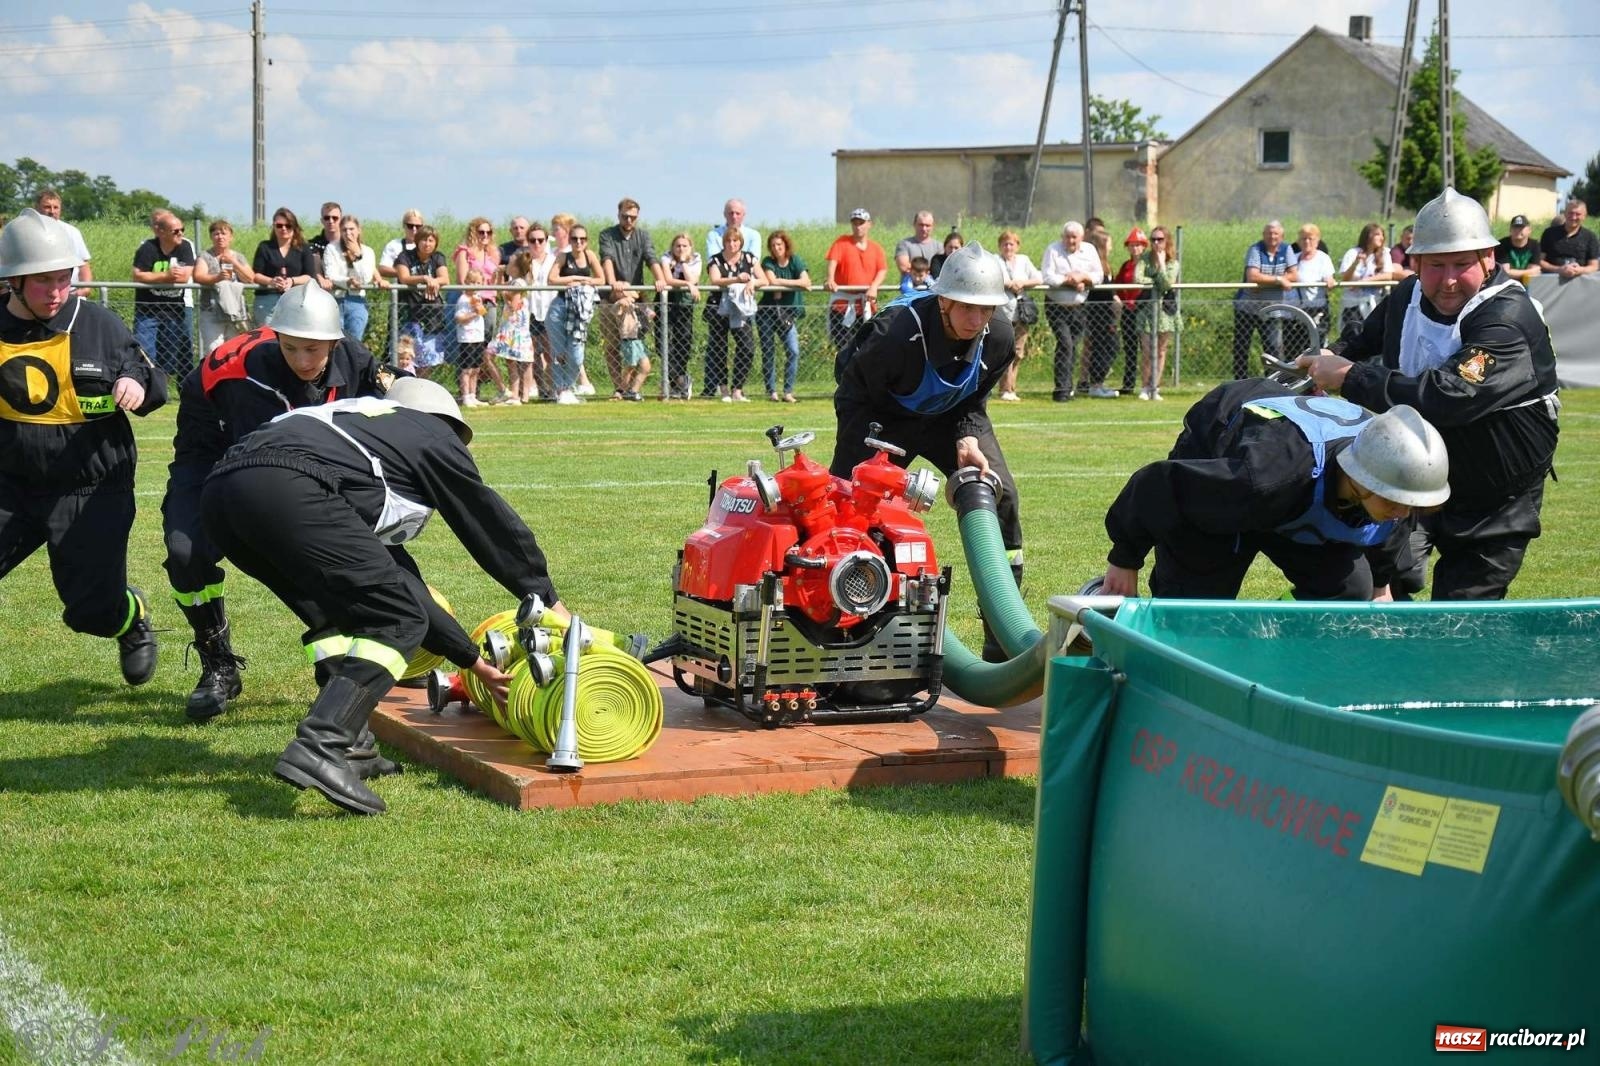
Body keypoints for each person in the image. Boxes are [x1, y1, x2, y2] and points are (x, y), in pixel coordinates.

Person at [200, 376, 565, 815]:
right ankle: (321, 745)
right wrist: (543, 594)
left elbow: (401, 578)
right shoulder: (427, 431)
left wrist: (472, 661)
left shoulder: (348, 435)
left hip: (223, 492)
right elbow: (487, 521)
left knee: (336, 611)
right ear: (441, 421)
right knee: (397, 621)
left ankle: (353, 746)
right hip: (287, 486)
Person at [1299, 186, 1560, 600]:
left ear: (1488, 257)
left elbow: (1449, 396)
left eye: (1462, 264)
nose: (1449, 280)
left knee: (1458, 617)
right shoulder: (1408, 295)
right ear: (1415, 262)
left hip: (1495, 499)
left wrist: (1348, 376)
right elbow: (1365, 335)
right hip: (1412, 476)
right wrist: (1326, 356)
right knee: (1371, 585)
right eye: (1436, 265)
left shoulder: (1508, 319)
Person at [162, 282, 385, 728]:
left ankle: (338, 662)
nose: (303, 361)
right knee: (187, 552)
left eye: (314, 350)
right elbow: (252, 478)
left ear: (335, 342)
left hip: (296, 461)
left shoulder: (357, 360)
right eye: (291, 348)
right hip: (216, 453)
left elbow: (385, 414)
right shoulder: (239, 374)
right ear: (273, 336)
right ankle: (218, 663)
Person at [0, 209, 167, 685]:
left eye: (64, 279)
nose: (57, 291)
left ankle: (130, 617)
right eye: (43, 281)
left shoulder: (98, 324)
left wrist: (135, 384)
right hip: (11, 484)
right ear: (13, 280)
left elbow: (149, 374)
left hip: (91, 489)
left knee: (90, 612)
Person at [831, 242, 1021, 658]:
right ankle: (847, 629)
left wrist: (967, 435)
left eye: (986, 308)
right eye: (967, 307)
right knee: (848, 510)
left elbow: (975, 398)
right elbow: (850, 387)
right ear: (944, 302)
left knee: (1001, 494)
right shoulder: (895, 334)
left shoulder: (1000, 337)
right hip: (881, 415)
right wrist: (870, 459)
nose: (977, 318)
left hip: (951, 417)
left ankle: (1001, 633)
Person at [1099, 380, 1449, 601]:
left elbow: (1391, 531)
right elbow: (1159, 484)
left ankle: (1284, 652)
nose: (1402, 513)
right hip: (1231, 457)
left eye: (1410, 505)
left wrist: (1380, 586)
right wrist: (1125, 559)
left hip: (1294, 497)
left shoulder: (1395, 486)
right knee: (1195, 609)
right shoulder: (1260, 480)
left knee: (1350, 595)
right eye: (1395, 503)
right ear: (1359, 479)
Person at [598, 197, 667, 400]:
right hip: (611, 299)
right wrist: (614, 284)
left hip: (636, 300)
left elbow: (651, 259)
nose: (629, 221)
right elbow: (607, 259)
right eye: (625, 217)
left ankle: (629, 388)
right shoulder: (607, 235)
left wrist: (660, 280)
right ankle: (619, 388)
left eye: (633, 218)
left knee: (636, 345)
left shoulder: (643, 236)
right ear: (618, 215)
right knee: (612, 345)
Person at [1040, 221, 1103, 402]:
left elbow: (1098, 276)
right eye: (1067, 237)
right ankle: (1061, 389)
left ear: (1081, 238)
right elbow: (1047, 276)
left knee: (1072, 347)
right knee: (1065, 343)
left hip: (1080, 307)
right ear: (1063, 237)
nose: (1071, 240)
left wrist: (1083, 277)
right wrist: (1070, 280)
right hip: (1056, 306)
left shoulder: (1089, 250)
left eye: (1074, 237)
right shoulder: (1053, 250)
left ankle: (1068, 388)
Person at [131, 210, 198, 374]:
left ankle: (161, 390)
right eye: (176, 231)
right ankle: (145, 389)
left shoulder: (185, 247)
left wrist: (153, 277)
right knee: (144, 353)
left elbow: (184, 277)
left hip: (174, 311)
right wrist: (166, 276)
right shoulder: (147, 248)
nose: (180, 233)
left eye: (182, 229)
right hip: (148, 311)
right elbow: (137, 275)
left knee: (170, 360)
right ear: (161, 232)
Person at [1230, 220, 1297, 379]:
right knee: (1241, 346)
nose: (1272, 237)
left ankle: (1272, 382)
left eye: (1275, 233)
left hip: (1272, 310)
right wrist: (1279, 280)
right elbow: (1252, 276)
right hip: (1247, 307)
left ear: (1281, 236)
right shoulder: (1255, 249)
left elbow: (1294, 275)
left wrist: (1264, 280)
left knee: (1273, 348)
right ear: (1263, 235)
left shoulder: (1287, 249)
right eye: (1269, 233)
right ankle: (1240, 381)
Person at [705, 227, 764, 402]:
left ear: (741, 242)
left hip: (741, 310)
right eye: (729, 241)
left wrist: (753, 282)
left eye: (735, 241)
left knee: (747, 347)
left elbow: (764, 279)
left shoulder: (749, 258)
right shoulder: (715, 260)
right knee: (719, 348)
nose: (732, 244)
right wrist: (737, 279)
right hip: (718, 308)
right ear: (723, 242)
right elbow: (715, 280)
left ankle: (737, 388)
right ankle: (723, 388)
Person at [547, 222, 603, 404]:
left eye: (582, 239)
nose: (578, 242)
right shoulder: (564, 257)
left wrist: (584, 280)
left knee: (576, 352)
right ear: (570, 240)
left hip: (580, 311)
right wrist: (573, 279)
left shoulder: (590, 255)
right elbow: (552, 279)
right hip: (560, 307)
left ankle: (568, 385)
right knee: (559, 352)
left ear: (586, 241)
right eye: (575, 239)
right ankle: (561, 389)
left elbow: (601, 279)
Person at [824, 208, 888, 356]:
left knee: (868, 345)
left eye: (861, 223)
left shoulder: (876, 248)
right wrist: (830, 279)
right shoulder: (841, 243)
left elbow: (882, 270)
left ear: (869, 224)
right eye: (855, 223)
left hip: (865, 304)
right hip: (842, 304)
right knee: (844, 346)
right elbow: (833, 262)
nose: (858, 226)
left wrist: (874, 287)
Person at [393, 225, 450, 383]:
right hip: (411, 313)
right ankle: (407, 385)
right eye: (424, 239)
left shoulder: (438, 257)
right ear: (418, 241)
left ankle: (422, 387)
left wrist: (434, 281)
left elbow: (445, 278)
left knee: (427, 359)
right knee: (408, 356)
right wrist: (424, 278)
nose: (427, 243)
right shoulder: (405, 256)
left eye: (431, 240)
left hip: (433, 315)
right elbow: (404, 277)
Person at [758, 230, 809, 404]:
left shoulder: (795, 260)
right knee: (768, 351)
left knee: (793, 350)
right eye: (773, 245)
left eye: (779, 244)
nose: (776, 248)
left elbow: (806, 281)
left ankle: (788, 391)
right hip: (767, 312)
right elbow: (771, 280)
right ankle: (771, 390)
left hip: (787, 314)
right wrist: (795, 284)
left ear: (785, 245)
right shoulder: (768, 262)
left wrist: (784, 283)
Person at [192, 219, 256, 354]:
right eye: (216, 234)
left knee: (234, 351)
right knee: (213, 350)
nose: (220, 237)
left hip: (236, 314)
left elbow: (250, 278)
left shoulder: (238, 257)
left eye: (223, 233)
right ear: (211, 237)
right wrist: (217, 278)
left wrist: (233, 262)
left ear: (231, 237)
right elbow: (198, 276)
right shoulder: (205, 256)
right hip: (211, 311)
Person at [321, 214, 386, 344]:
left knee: (354, 343)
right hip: (335, 299)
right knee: (334, 342)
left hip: (357, 301)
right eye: (344, 229)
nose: (348, 233)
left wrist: (357, 256)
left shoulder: (367, 252)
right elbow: (330, 274)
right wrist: (348, 281)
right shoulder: (331, 248)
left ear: (358, 230)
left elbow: (366, 277)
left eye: (351, 229)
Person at [1134, 226, 1181, 401]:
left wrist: (1161, 266)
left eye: (1159, 239)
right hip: (1146, 311)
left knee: (1160, 350)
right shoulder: (1144, 259)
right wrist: (1155, 281)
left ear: (1166, 241)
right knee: (1147, 350)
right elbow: (1137, 278)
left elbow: (1168, 284)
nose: (1155, 243)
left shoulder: (1172, 263)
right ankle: (1145, 386)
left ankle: (1155, 386)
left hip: (1165, 312)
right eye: (1153, 239)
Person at [251, 207, 320, 326]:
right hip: (267, 299)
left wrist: (292, 281)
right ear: (274, 226)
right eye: (279, 225)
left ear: (294, 227)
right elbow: (256, 275)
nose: (283, 229)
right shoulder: (265, 247)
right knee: (268, 338)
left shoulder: (303, 248)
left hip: (295, 299)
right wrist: (271, 281)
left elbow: (309, 276)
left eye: (288, 225)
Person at [658, 232, 702, 402]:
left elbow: (694, 278)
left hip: (684, 306)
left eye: (684, 245)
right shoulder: (666, 258)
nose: (681, 248)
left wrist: (683, 263)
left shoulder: (696, 259)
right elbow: (668, 279)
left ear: (690, 247)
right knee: (662, 344)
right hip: (666, 304)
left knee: (683, 343)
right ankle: (681, 381)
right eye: (678, 245)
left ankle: (678, 385)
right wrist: (687, 284)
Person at [491, 252, 536, 404]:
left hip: (516, 327)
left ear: (516, 267)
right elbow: (498, 291)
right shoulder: (512, 282)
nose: (506, 265)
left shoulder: (519, 284)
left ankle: (522, 395)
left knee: (522, 361)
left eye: (509, 263)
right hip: (511, 325)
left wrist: (504, 293)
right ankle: (516, 394)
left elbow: (514, 305)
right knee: (512, 361)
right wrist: (499, 276)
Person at [1337, 223, 1397, 337]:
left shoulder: (1384, 254)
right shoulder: (1353, 253)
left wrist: (1364, 281)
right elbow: (1345, 278)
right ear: (1368, 236)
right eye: (1378, 234)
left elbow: (1388, 275)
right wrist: (1356, 262)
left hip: (1374, 303)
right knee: (1352, 336)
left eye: (1382, 235)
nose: (1382, 238)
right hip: (1352, 305)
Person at [33, 188, 93, 296]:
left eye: (56, 207)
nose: (52, 211)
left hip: (71, 294)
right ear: (36, 208)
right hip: (38, 295)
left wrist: (85, 289)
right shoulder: (27, 231)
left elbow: (83, 264)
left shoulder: (72, 232)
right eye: (47, 207)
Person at [1081, 229, 1119, 399]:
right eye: (1109, 243)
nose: (1111, 246)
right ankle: (1095, 384)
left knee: (1109, 347)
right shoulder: (1096, 268)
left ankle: (1099, 383)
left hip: (1107, 313)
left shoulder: (1106, 265)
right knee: (1103, 348)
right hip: (1099, 313)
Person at [1111, 228, 1148, 395]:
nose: (1134, 248)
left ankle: (1148, 385)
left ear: (1143, 247)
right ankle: (1129, 383)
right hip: (1128, 310)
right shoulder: (1126, 266)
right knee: (1130, 349)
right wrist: (1119, 299)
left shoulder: (1147, 265)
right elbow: (1118, 285)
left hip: (1143, 311)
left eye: (1138, 245)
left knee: (1146, 349)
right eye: (1131, 245)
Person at [1290, 222, 1336, 353]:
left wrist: (1329, 280)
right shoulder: (1294, 259)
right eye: (1303, 238)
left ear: (1317, 241)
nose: (1307, 242)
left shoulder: (1323, 258)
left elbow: (1329, 278)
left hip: (1317, 310)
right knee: (1295, 350)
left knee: (1317, 348)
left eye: (1310, 238)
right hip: (1297, 311)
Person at [453, 270, 494, 407]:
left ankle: (473, 395)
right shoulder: (463, 299)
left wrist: (480, 309)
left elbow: (482, 313)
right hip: (467, 337)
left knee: (476, 368)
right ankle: (465, 395)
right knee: (467, 369)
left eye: (478, 282)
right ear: (466, 282)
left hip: (478, 336)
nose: (475, 285)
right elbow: (460, 318)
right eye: (472, 282)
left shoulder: (477, 297)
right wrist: (473, 313)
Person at [1538, 199, 1599, 278]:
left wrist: (1580, 270)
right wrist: (1558, 269)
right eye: (1570, 213)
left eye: (1578, 214)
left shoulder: (1590, 237)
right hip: (1552, 281)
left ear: (1584, 216)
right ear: (1565, 214)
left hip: (1580, 282)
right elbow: (1539, 261)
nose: (1573, 217)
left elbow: (1594, 266)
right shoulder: (1549, 233)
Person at [704, 198, 761, 262]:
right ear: (724, 214)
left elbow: (754, 260)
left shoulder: (753, 235)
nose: (734, 217)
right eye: (731, 213)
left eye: (738, 213)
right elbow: (713, 259)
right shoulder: (713, 235)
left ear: (743, 215)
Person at [377, 209, 424, 282]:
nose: (414, 229)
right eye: (410, 226)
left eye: (418, 226)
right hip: (400, 291)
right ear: (404, 226)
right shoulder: (394, 245)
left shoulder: (428, 245)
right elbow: (382, 269)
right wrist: (405, 273)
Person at [1495, 214, 1542, 286]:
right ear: (1510, 230)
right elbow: (1505, 272)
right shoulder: (1502, 244)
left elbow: (1534, 273)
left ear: (1529, 230)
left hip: (1528, 285)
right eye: (1515, 227)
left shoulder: (1535, 245)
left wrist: (1512, 272)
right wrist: (1529, 272)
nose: (1517, 230)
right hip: (1506, 285)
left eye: (1521, 228)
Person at [894, 210, 940, 282]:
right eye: (921, 225)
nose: (924, 228)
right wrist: (929, 272)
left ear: (933, 226)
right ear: (914, 224)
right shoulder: (904, 245)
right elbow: (904, 267)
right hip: (911, 290)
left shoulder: (940, 247)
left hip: (933, 291)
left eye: (927, 225)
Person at [306, 201, 342, 266]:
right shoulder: (312, 246)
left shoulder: (349, 244)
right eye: (327, 218)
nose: (331, 221)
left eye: (335, 218)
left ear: (341, 220)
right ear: (322, 220)